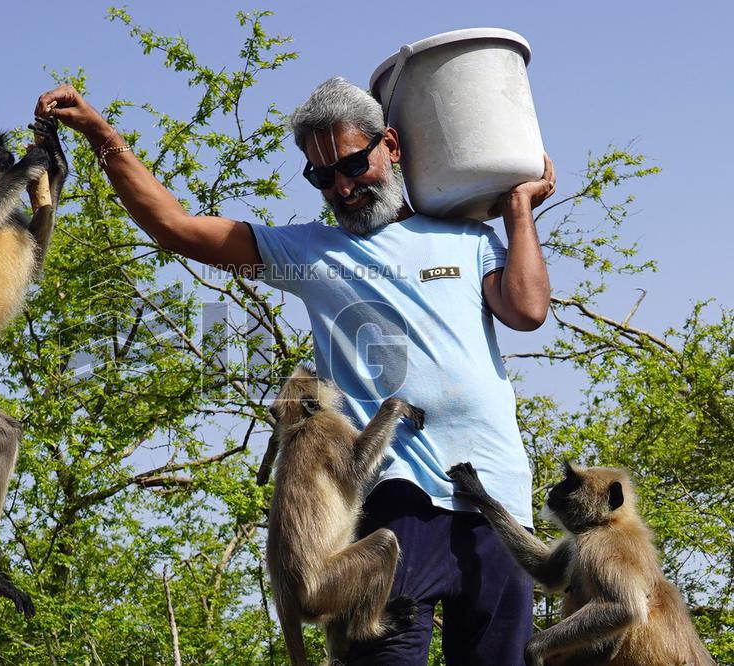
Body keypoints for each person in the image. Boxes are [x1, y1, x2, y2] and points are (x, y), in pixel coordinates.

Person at [36, 76, 555, 665]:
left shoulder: (466, 238)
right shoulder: (311, 252)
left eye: (353, 164)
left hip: (496, 498)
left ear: (391, 145)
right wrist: (103, 135)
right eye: (322, 176)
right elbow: (175, 228)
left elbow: (527, 309)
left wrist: (517, 211)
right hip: (395, 499)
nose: (342, 186)